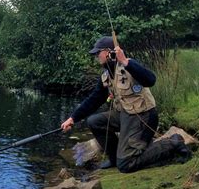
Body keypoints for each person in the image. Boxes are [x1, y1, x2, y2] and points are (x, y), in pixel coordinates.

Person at [61, 36, 191, 173]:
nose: (96, 57)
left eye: (97, 53)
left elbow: (151, 80)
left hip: (144, 116)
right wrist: (73, 118)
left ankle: (173, 143)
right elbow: (94, 100)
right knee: (94, 121)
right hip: (125, 115)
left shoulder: (129, 65)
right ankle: (115, 158)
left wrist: (124, 61)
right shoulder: (106, 75)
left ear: (107, 52)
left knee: (126, 165)